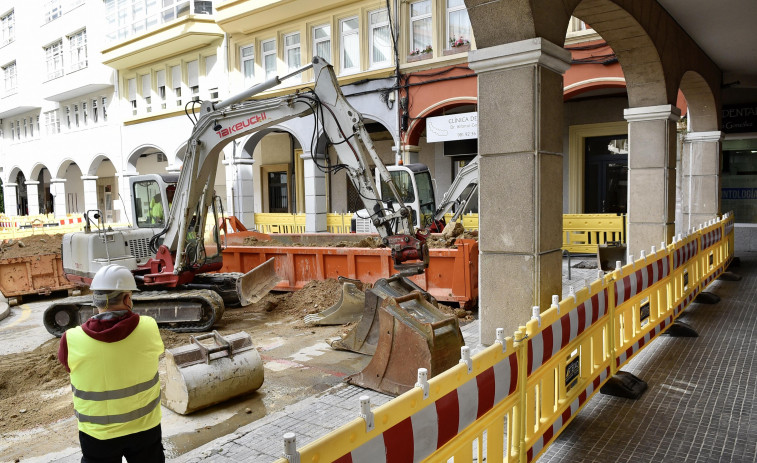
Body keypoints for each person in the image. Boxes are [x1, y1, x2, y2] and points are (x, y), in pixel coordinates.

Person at [57, 264, 165, 463]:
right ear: (127, 299)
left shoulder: (70, 339)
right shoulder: (149, 327)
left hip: (97, 435)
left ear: (95, 299)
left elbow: (68, 365)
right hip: (144, 429)